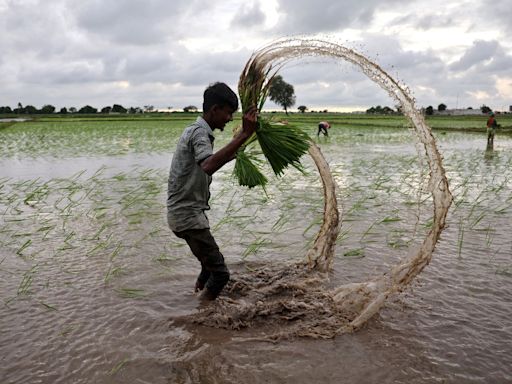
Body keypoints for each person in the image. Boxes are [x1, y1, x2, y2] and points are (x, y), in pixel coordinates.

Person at [167, 82, 257, 301]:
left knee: (208, 266)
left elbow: (209, 162)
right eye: (228, 113)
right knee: (221, 274)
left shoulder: (197, 131)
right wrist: (244, 134)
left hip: (187, 214)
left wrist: (239, 146)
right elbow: (208, 165)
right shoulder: (198, 133)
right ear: (215, 109)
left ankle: (197, 291)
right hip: (187, 216)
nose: (230, 118)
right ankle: (201, 316)